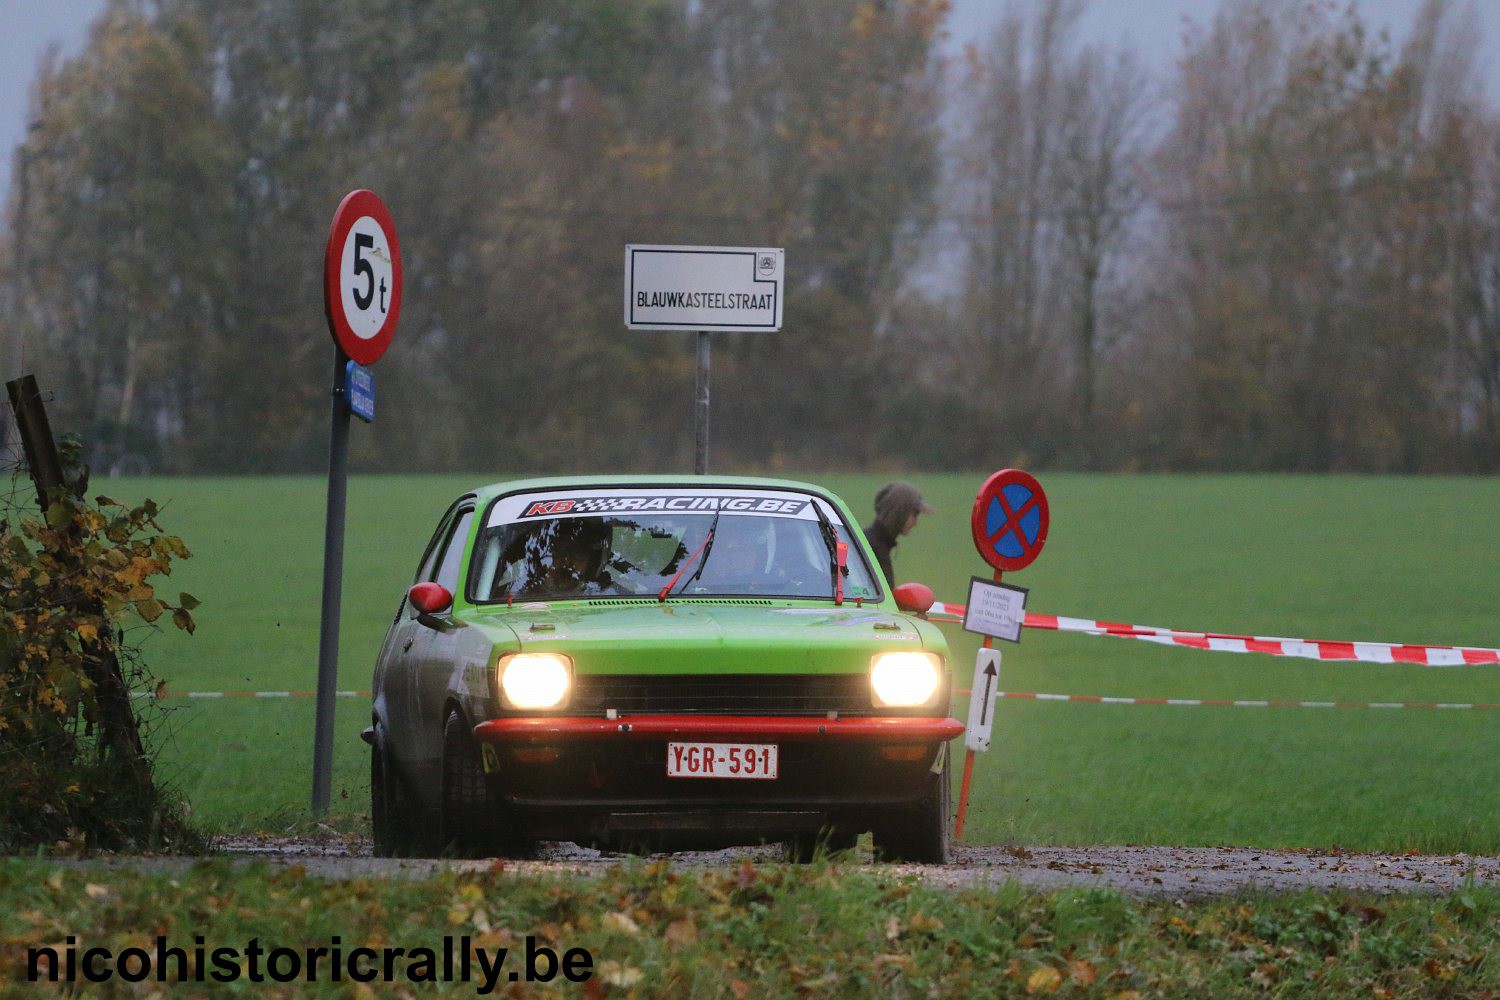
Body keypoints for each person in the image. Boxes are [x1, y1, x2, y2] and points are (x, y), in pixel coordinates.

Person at [863, 481, 934, 588]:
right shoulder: (871, 548)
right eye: (915, 514)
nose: (916, 522)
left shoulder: (877, 544)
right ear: (899, 511)